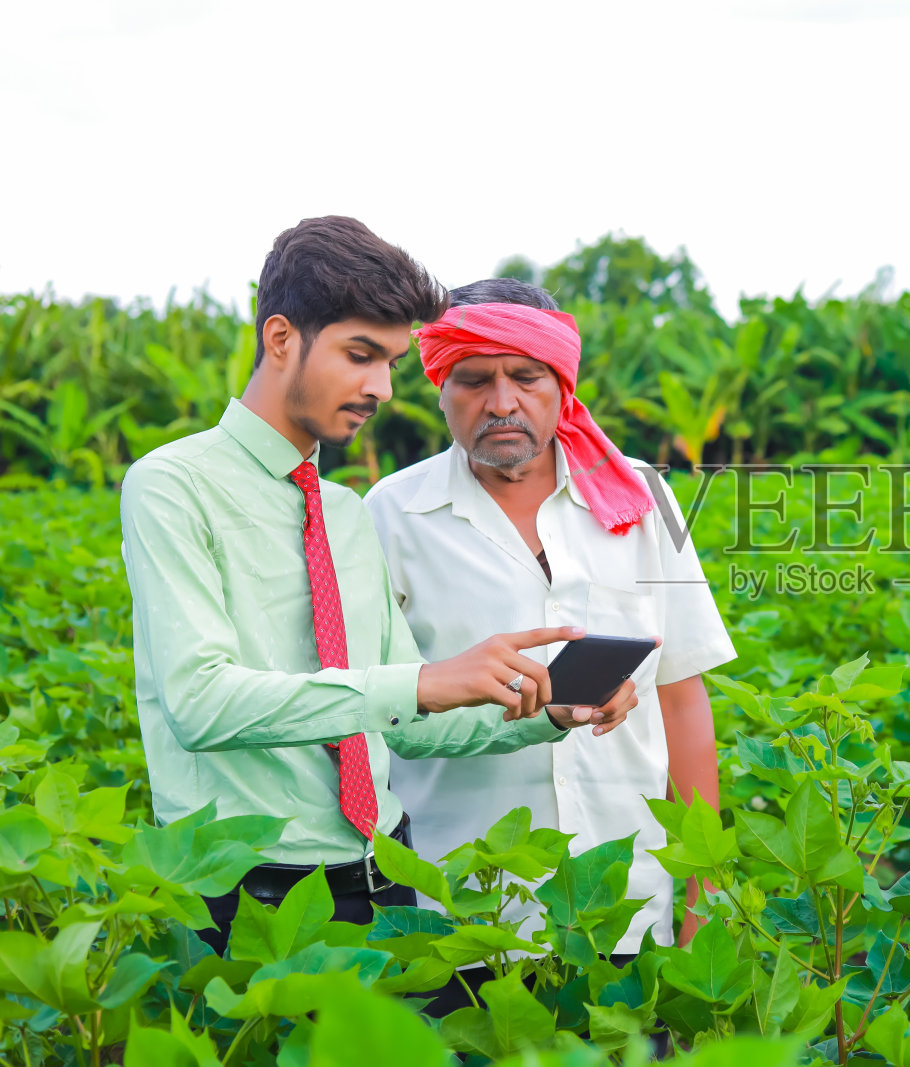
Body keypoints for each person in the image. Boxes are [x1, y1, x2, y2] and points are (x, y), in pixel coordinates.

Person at [120, 219, 629, 954]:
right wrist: (422, 681)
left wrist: (548, 709)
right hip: (245, 893)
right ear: (281, 338)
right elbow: (201, 702)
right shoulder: (173, 486)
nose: (382, 388)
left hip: (383, 874)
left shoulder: (346, 512)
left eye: (391, 362)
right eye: (361, 355)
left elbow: (406, 724)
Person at [364, 278, 736, 1009]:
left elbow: (682, 699)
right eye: (473, 379)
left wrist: (703, 894)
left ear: (562, 386)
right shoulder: (393, 515)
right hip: (462, 913)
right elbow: (375, 705)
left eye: (525, 377)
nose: (501, 401)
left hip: (625, 904)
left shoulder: (641, 497)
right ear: (439, 386)